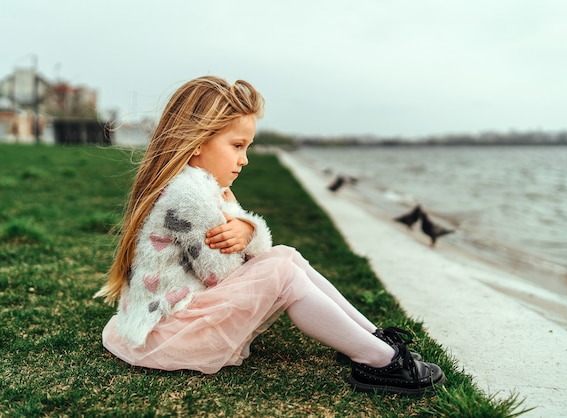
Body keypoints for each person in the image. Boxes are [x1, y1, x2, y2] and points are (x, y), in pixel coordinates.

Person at [96, 75, 445, 396]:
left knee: (286, 258)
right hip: (168, 337)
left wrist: (246, 228)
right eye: (237, 145)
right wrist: (244, 228)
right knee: (283, 270)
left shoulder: (194, 186)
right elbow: (225, 275)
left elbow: (249, 258)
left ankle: (374, 340)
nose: (244, 159)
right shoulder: (189, 196)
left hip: (166, 323)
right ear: (197, 143)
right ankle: (380, 359)